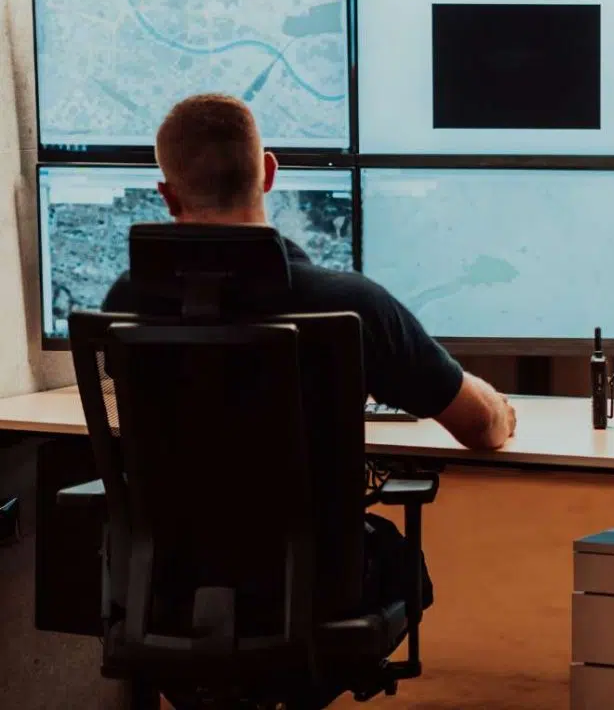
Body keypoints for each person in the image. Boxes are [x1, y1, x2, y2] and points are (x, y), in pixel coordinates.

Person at [102, 94, 516, 617]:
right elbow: (481, 427)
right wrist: (501, 408)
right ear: (269, 172)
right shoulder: (349, 304)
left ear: (167, 195)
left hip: (166, 593)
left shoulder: (124, 306)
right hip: (316, 594)